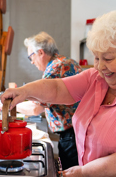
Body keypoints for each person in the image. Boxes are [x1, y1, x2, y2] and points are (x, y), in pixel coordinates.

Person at [0, 10, 116, 176]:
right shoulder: (96, 78)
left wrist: (84, 172)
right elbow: (57, 88)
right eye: (97, 58)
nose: (99, 66)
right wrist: (23, 91)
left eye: (107, 58)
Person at [11, 31, 82, 169]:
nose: (31, 62)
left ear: (41, 53)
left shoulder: (56, 68)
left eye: (31, 57)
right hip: (76, 133)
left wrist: (9, 105)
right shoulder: (65, 62)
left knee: (72, 172)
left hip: (72, 136)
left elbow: (36, 108)